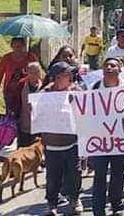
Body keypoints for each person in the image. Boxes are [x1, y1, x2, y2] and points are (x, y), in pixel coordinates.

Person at [89, 58, 124, 216]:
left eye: (113, 65)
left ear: (119, 70)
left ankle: (116, 205)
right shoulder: (95, 88)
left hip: (120, 140)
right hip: (100, 141)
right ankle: (98, 210)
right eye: (106, 65)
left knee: (117, 174)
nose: (109, 68)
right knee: (99, 175)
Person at [41, 62, 83, 216]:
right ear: (58, 78)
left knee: (75, 173)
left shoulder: (76, 90)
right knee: (53, 176)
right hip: (52, 144)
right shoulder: (45, 93)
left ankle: (75, 199)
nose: (70, 77)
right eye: (67, 74)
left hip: (72, 142)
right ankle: (51, 203)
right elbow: (37, 114)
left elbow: (86, 108)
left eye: (70, 74)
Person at [0, 37, 38, 115]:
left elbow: (38, 72)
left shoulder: (31, 57)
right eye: (15, 47)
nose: (17, 49)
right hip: (10, 92)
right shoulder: (6, 58)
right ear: (11, 46)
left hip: (27, 90)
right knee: (11, 115)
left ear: (24, 46)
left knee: (27, 114)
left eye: (20, 47)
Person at [18, 62, 43, 148]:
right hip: (24, 124)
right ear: (27, 73)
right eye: (31, 72)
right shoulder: (21, 84)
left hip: (40, 125)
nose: (34, 75)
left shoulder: (44, 85)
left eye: (36, 72)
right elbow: (15, 101)